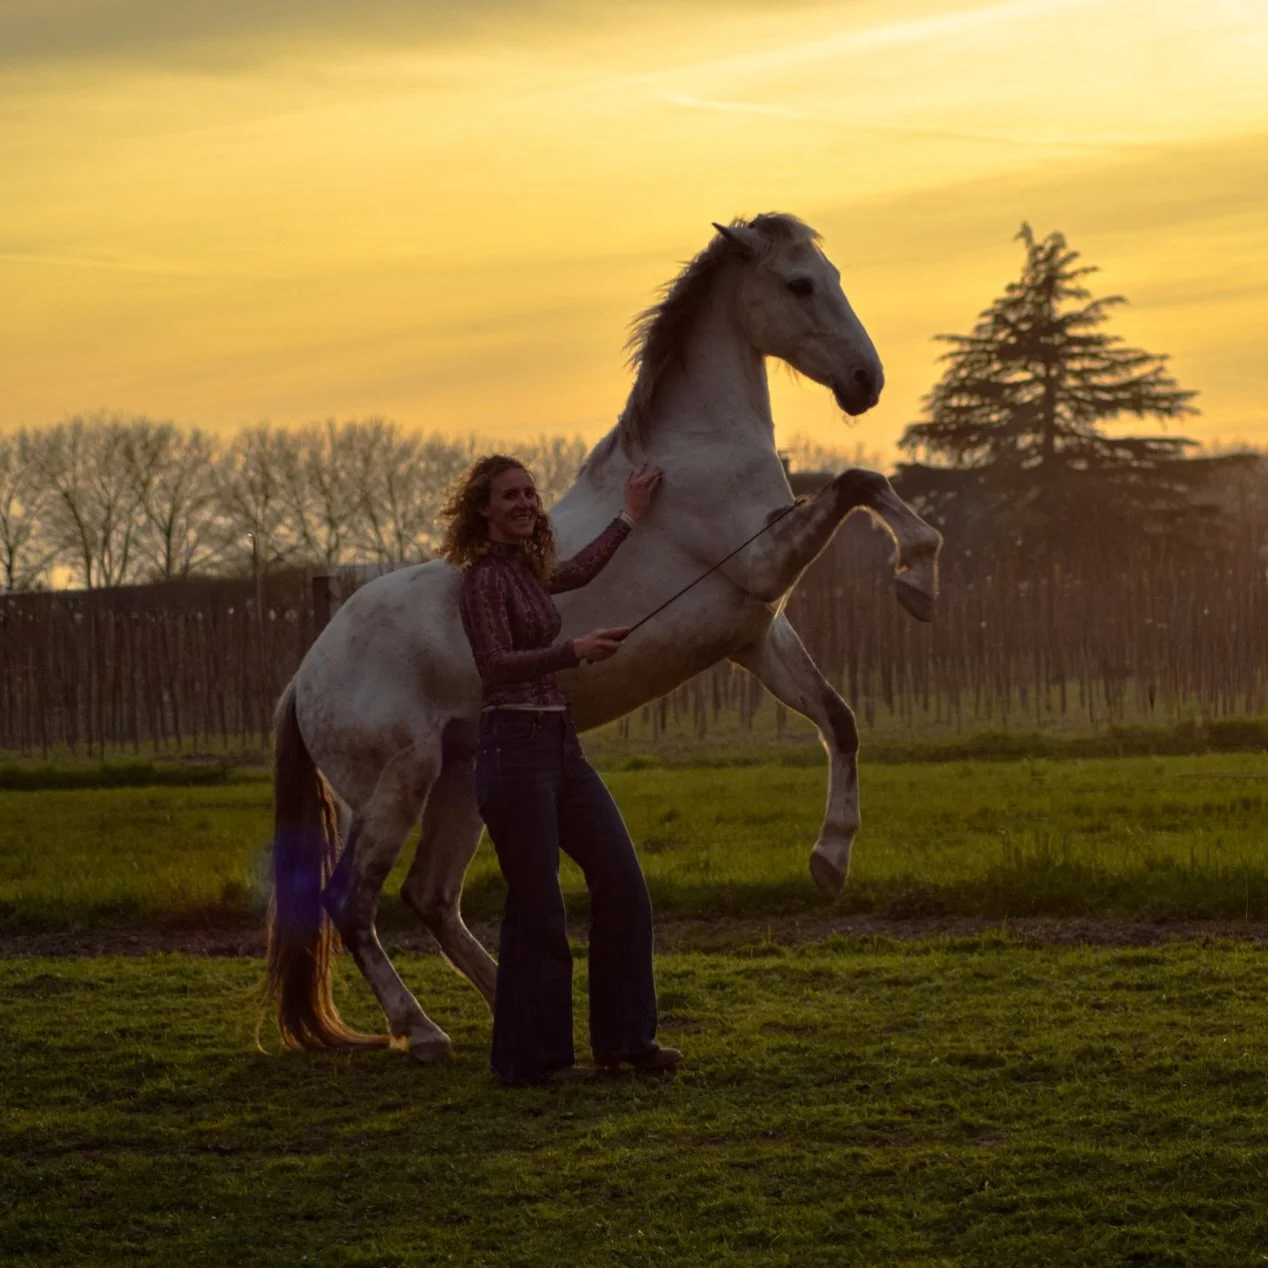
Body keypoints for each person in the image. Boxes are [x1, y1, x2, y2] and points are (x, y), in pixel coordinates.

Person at [440, 454, 681, 1087]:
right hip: (513, 750)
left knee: (621, 880)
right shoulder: (482, 580)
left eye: (529, 493)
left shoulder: (525, 570)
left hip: (559, 747)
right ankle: (530, 1062)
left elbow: (579, 568)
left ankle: (627, 1040)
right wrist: (573, 652)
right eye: (509, 495)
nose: (525, 502)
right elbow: (493, 665)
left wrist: (629, 515)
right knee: (539, 905)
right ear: (484, 509)